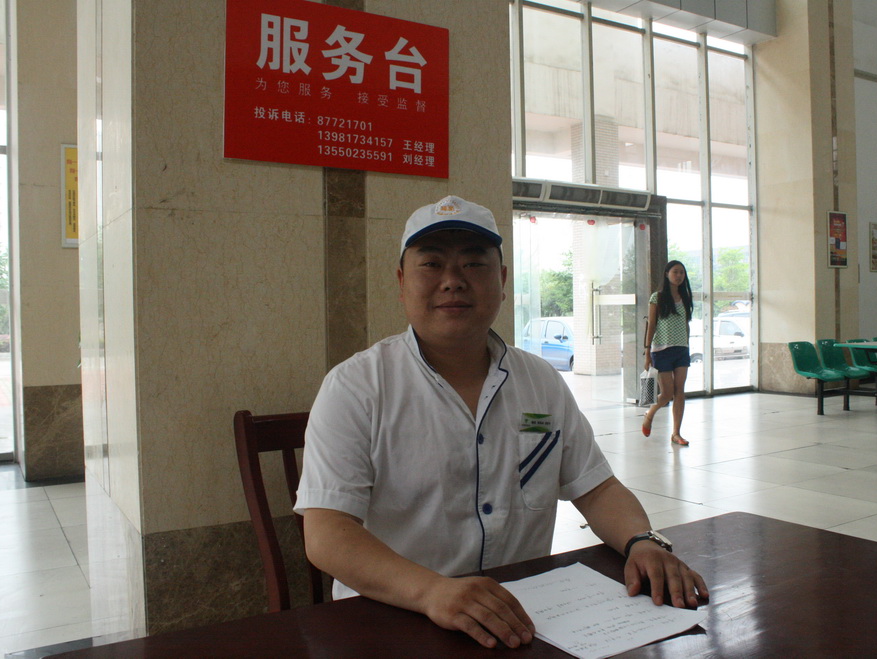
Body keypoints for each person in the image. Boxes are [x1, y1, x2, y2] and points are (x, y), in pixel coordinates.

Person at [294, 196, 708, 650]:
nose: (453, 281)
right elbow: (327, 533)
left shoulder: (541, 381)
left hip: (519, 622)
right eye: (431, 264)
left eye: (474, 264)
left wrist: (641, 541)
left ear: (503, 281)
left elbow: (597, 488)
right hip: (390, 623)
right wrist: (432, 592)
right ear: (401, 282)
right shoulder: (356, 387)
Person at [641, 260, 694, 446]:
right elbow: (651, 325)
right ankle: (650, 413)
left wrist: (687, 344)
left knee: (680, 391)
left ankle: (676, 433)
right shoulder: (657, 297)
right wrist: (647, 352)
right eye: (675, 272)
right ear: (667, 274)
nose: (679, 276)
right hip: (661, 350)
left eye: (682, 272)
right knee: (667, 393)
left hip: (681, 349)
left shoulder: (685, 296)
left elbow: (685, 324)